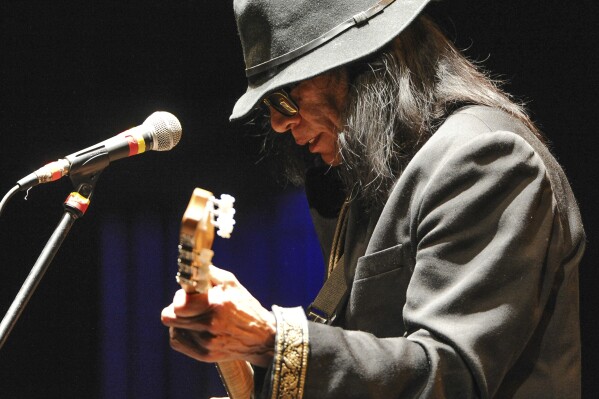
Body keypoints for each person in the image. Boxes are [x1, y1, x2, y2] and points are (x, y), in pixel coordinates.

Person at [161, 0, 586, 397]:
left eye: (285, 95)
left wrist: (274, 339)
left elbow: (450, 375)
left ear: (364, 66)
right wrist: (249, 350)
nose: (275, 122)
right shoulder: (374, 179)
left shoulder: (486, 159)